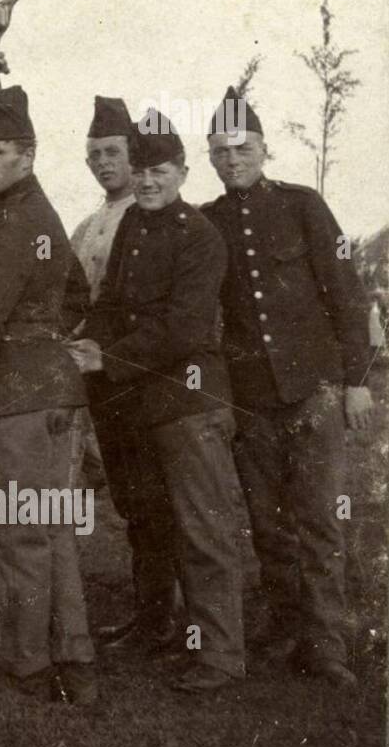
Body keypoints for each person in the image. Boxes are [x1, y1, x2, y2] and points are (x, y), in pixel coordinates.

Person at [73, 108, 247, 694]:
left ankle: (220, 655)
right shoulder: (131, 228)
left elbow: (186, 328)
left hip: (190, 404)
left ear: (183, 173)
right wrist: (87, 337)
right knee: (148, 520)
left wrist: (109, 360)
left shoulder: (199, 235)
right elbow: (111, 302)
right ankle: (159, 628)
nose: (147, 181)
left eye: (161, 171)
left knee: (204, 531)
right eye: (141, 169)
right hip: (140, 403)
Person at [203, 87, 372, 688]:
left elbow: (346, 295)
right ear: (210, 159)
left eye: (242, 148)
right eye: (220, 151)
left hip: (314, 390)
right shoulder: (209, 222)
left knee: (319, 518)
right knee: (267, 523)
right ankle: (284, 625)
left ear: (264, 148)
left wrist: (354, 382)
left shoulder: (303, 206)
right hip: (251, 398)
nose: (232, 160)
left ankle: (327, 643)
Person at [0, 85, 96, 704]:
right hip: (56, 391)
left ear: (27, 157)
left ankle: (32, 667)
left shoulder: (14, 221)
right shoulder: (42, 215)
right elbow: (79, 297)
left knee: (22, 531)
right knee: (53, 527)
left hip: (13, 398)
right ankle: (77, 662)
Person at [70, 97, 179, 655]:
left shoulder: (149, 216)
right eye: (94, 154)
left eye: (113, 152)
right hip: (102, 376)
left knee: (158, 498)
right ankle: (151, 612)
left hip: (144, 375)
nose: (104, 162)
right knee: (132, 498)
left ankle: (167, 617)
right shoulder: (90, 225)